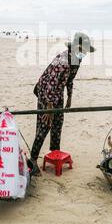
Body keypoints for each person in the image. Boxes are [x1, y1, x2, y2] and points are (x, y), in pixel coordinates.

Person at [30, 32, 96, 175]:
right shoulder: (63, 62)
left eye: (85, 50)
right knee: (45, 124)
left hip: (57, 92)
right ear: (75, 47)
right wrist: (48, 107)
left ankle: (55, 152)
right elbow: (49, 86)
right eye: (82, 49)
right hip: (45, 92)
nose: (84, 53)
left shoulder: (76, 60)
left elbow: (69, 80)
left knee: (58, 122)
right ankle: (33, 159)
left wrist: (69, 97)